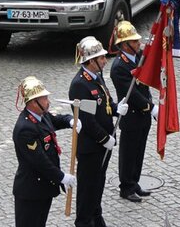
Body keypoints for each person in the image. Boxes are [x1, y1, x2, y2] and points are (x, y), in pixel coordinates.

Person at [68, 36, 129, 227]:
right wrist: (104, 138)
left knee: (98, 183)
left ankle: (96, 215)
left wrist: (116, 106)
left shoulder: (97, 76)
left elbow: (105, 100)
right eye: (101, 58)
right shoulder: (80, 84)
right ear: (90, 61)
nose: (105, 60)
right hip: (91, 147)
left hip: (104, 144)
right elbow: (87, 120)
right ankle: (84, 221)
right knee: (87, 188)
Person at [13, 76, 77, 227]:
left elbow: (55, 120)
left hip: (43, 188)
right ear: (33, 102)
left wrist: (70, 120)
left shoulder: (41, 115)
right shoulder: (25, 128)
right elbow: (39, 161)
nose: (48, 101)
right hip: (31, 191)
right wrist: (61, 177)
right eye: (44, 98)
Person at [109, 21, 156, 202]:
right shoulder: (119, 67)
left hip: (143, 115)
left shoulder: (137, 57)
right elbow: (133, 94)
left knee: (139, 151)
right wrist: (151, 108)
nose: (138, 43)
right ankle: (126, 187)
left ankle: (134, 182)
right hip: (132, 115)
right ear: (124, 45)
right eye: (134, 41)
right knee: (128, 154)